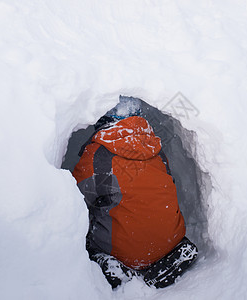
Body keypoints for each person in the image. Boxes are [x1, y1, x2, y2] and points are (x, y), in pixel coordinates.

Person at [72, 98, 198, 289]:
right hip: (171, 241)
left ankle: (109, 263)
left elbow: (75, 196)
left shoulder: (97, 154)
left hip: (125, 252)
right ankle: (168, 253)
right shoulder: (156, 146)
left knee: (89, 228)